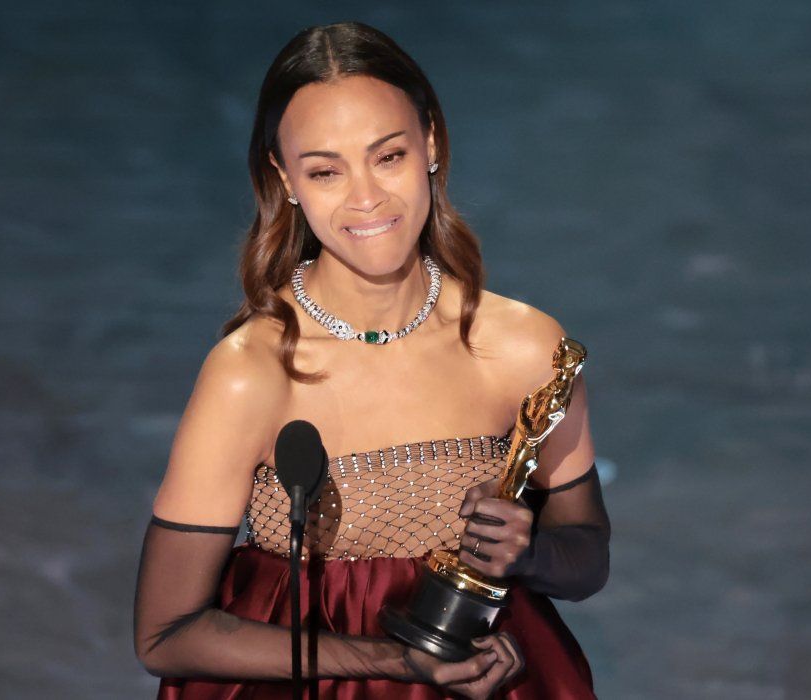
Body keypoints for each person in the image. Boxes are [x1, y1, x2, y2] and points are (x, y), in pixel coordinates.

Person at [133, 21, 610, 699]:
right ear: (285, 178)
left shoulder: (526, 348)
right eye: (325, 170)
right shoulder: (252, 372)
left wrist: (528, 553)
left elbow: (586, 558)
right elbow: (164, 634)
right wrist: (392, 661)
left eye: (387, 157)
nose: (365, 198)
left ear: (431, 145)